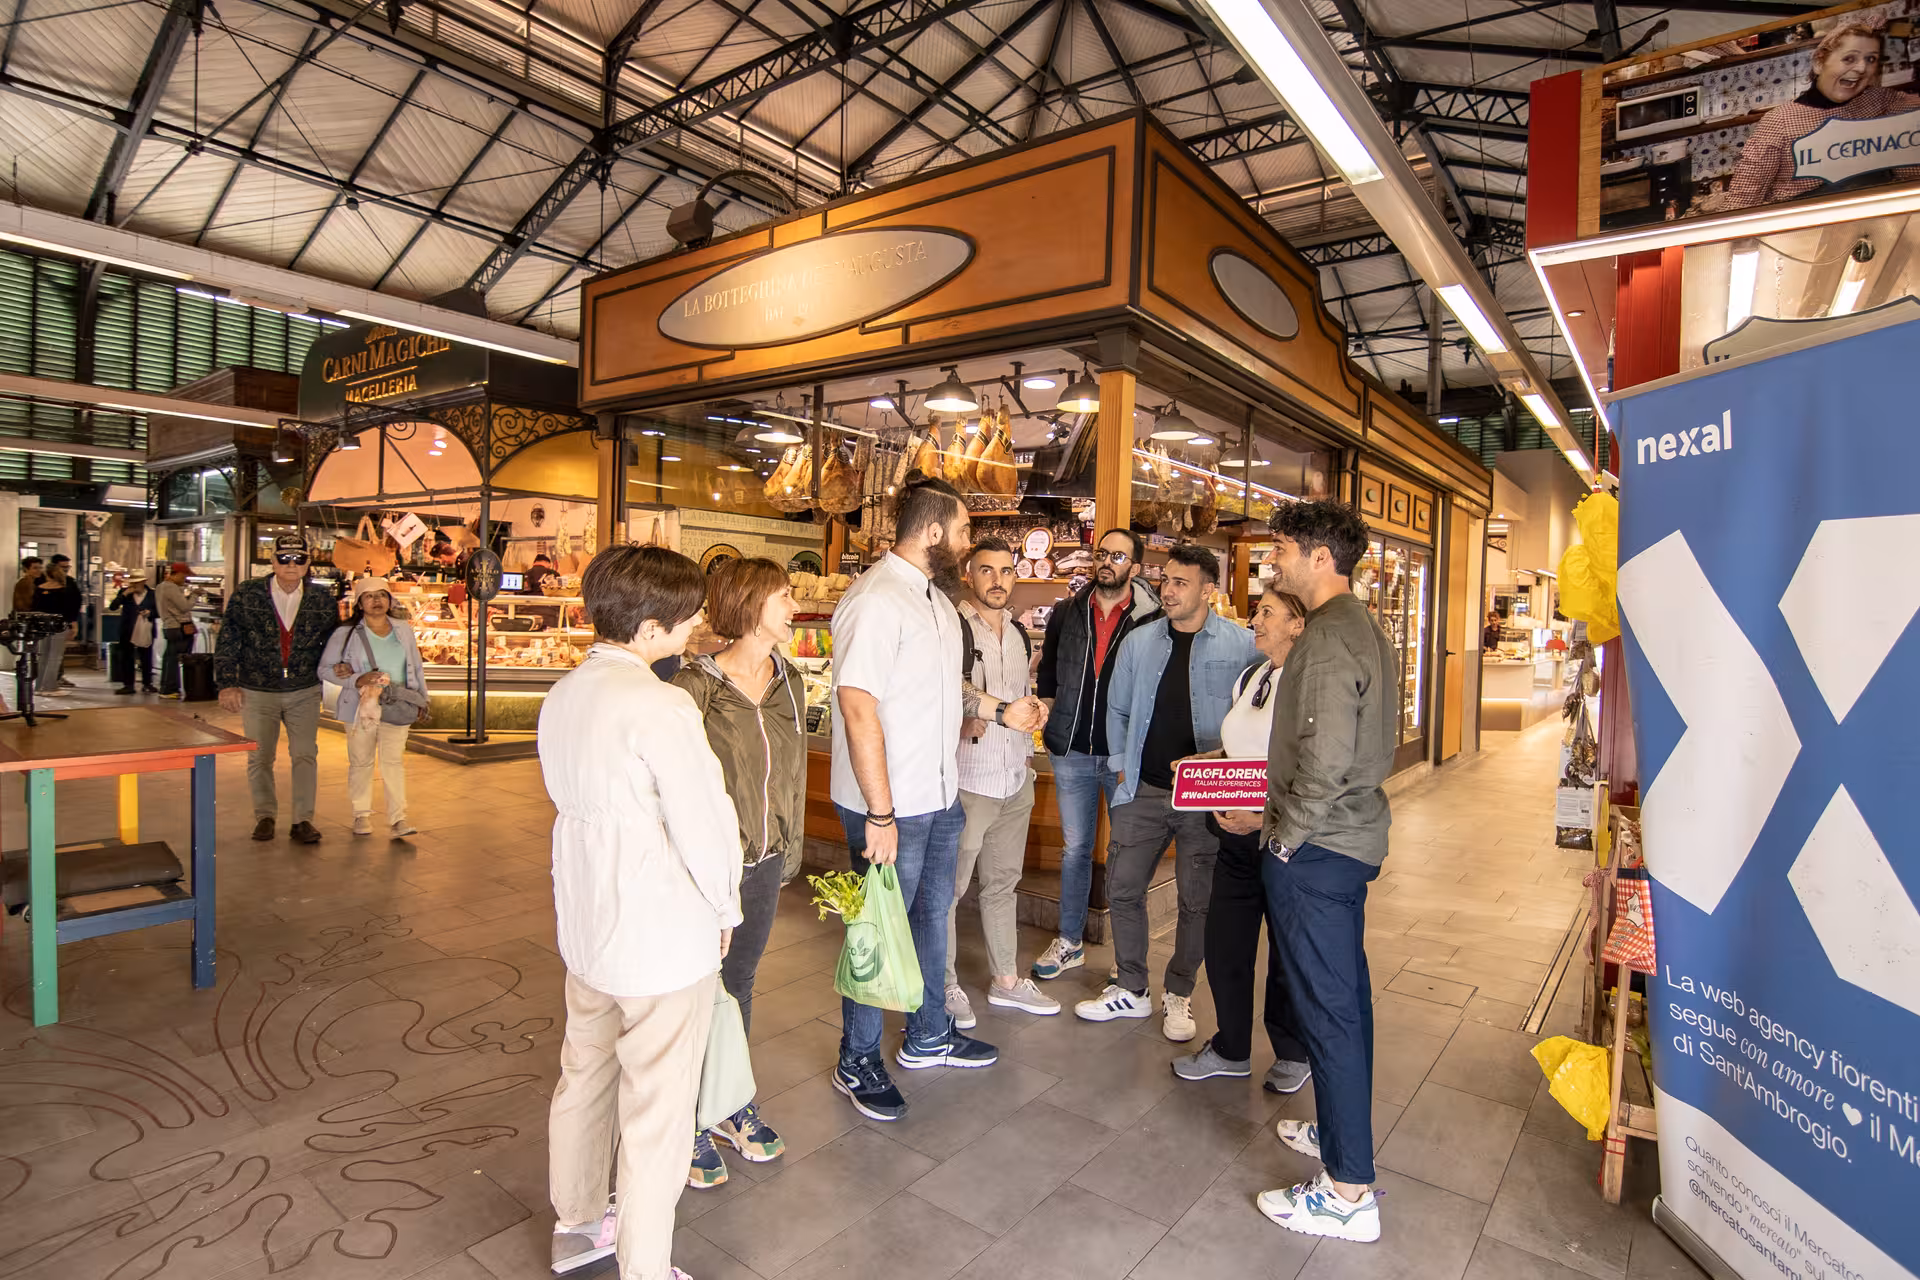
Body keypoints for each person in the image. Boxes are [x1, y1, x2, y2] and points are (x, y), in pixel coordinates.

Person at [540, 543, 743, 1280]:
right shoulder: (661, 703)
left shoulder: (566, 692)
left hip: (586, 919)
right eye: (687, 617)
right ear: (651, 626)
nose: (694, 628)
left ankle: (577, 1224)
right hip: (658, 931)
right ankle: (646, 1266)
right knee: (658, 1109)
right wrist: (725, 903)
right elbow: (704, 818)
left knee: (585, 1074)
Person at [828, 475, 997, 1123]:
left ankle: (928, 1033)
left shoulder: (933, 599)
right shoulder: (874, 601)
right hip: (887, 805)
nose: (966, 543)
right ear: (932, 533)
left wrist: (1001, 709)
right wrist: (880, 812)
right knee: (875, 931)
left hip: (940, 796)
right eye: (961, 532)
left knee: (930, 918)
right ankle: (857, 1057)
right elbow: (856, 702)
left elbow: (943, 687)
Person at [1254, 500, 1398, 1244]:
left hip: (1318, 851)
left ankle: (1347, 1191)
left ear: (1318, 557)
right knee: (1349, 1006)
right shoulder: (1365, 627)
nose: (1272, 561)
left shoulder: (1328, 640)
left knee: (1330, 1012)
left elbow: (1325, 760)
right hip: (1348, 845)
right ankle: (1342, 1138)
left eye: (1281, 549)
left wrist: (1284, 840)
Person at [1077, 544, 1254, 1040]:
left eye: (1180, 583)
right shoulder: (1140, 640)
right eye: (1166, 581)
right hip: (1142, 789)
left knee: (1196, 901)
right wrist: (1118, 767)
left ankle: (1179, 994)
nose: (1168, 591)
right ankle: (1132, 988)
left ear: (1208, 590)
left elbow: (1261, 717)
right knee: (1123, 888)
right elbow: (1117, 709)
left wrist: (1232, 770)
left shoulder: (1242, 645)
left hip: (1206, 796)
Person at [671, 557, 804, 1189]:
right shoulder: (693, 685)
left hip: (766, 858)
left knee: (739, 984)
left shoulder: (792, 678)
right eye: (784, 593)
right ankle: (685, 1121)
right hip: (706, 866)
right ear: (751, 604)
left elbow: (792, 775)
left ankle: (725, 1103)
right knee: (696, 990)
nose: (794, 603)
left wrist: (790, 845)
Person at [1171, 589, 1311, 1090]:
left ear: (1298, 624)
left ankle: (1293, 1053)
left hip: (1284, 838)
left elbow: (1312, 767)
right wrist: (1204, 767)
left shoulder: (1309, 682)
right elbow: (1241, 750)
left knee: (1286, 949)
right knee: (1226, 942)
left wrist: (1263, 817)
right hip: (1233, 838)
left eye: (1268, 612)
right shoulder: (1256, 675)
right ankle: (1231, 1047)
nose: (1256, 619)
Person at [1028, 529, 1161, 982]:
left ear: (1135, 568)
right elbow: (1048, 670)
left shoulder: (1151, 620)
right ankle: (1069, 942)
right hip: (1071, 750)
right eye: (1102, 553)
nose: (1107, 561)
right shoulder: (1067, 612)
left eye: (1118, 555)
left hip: (1124, 754)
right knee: (1076, 849)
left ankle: (1128, 964)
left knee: (1126, 854)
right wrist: (1047, 710)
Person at [944, 537, 1053, 1027]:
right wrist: (970, 716)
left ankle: (1006, 980)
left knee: (1002, 884)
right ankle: (943, 985)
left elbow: (1017, 694)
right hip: (969, 779)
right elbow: (949, 689)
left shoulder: (1018, 632)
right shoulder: (953, 627)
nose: (997, 580)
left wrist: (1036, 708)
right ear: (970, 575)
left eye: (1006, 571)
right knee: (947, 890)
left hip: (1014, 776)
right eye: (986, 571)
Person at [214, 533, 339, 845]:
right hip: (258, 689)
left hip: (304, 689)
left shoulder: (322, 599)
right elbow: (229, 637)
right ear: (272, 561)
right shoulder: (247, 594)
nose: (291, 564)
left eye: (299, 558)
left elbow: (334, 642)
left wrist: (339, 675)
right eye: (284, 558)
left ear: (309, 562)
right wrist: (227, 682)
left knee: (305, 754)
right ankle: (265, 815)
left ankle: (302, 820)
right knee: (260, 756)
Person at [1727, 24, 1920, 209]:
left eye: (1871, 59)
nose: (1862, 68)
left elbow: (1909, 171)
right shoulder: (1779, 122)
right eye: (1849, 59)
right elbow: (1741, 201)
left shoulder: (1880, 101)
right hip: (1804, 233)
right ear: (1820, 62)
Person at [319, 578, 428, 839]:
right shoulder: (345, 634)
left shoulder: (403, 629)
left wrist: (422, 699)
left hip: (398, 703)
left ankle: (398, 819)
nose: (376, 601)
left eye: (382, 595)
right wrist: (356, 679)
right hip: (361, 706)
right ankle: (361, 814)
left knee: (393, 762)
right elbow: (324, 669)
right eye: (369, 596)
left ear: (390, 600)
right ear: (359, 602)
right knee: (361, 762)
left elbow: (416, 666)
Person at [32, 557, 82, 696]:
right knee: (55, 656)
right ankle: (50, 687)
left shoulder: (39, 589)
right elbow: (70, 609)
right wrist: (74, 626)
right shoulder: (64, 590)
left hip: (42, 626)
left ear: (47, 574)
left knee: (43, 656)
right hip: (59, 625)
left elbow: (34, 609)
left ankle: (39, 687)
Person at [108, 574, 161, 695]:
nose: (134, 586)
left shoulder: (152, 594)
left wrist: (150, 612)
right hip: (128, 629)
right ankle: (128, 685)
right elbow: (113, 607)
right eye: (132, 583)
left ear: (143, 582)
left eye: (137, 583)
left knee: (146, 656)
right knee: (127, 656)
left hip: (146, 628)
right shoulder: (125, 593)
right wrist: (124, 594)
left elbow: (159, 611)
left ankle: (147, 683)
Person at [157, 563, 196, 698]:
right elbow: (184, 607)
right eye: (184, 576)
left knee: (169, 658)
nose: (185, 579)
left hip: (169, 626)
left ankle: (165, 688)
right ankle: (170, 689)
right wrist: (195, 595)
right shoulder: (171, 588)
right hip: (178, 627)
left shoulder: (161, 586)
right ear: (177, 574)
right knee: (175, 659)